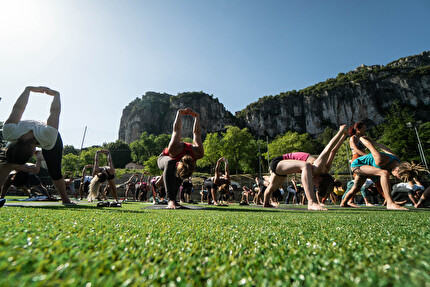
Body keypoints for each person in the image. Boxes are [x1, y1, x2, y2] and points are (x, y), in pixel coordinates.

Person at [0, 86, 73, 204]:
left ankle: (66, 199)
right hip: (39, 134)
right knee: (9, 161)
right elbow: (18, 108)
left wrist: (56, 94)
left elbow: (54, 112)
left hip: (48, 135)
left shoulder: (47, 136)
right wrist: (29, 90)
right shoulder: (9, 132)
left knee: (54, 169)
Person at [264, 125, 348, 210]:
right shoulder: (318, 168)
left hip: (283, 166)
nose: (314, 186)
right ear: (320, 180)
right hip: (279, 162)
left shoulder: (326, 169)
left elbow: (334, 152)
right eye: (317, 186)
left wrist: (344, 135)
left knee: (273, 186)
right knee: (306, 165)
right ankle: (311, 202)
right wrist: (340, 132)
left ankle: (266, 203)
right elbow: (329, 149)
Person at [340, 137, 420, 210]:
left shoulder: (397, 160)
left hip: (369, 168)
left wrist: (374, 141)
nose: (396, 178)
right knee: (384, 173)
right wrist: (362, 138)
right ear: (397, 170)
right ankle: (390, 203)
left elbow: (385, 148)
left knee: (356, 188)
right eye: (398, 177)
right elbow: (370, 146)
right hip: (358, 165)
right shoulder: (380, 160)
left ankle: (343, 203)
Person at [157, 108, 204, 209]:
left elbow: (197, 133)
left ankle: (173, 199)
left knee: (175, 168)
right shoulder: (175, 148)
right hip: (164, 158)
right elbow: (176, 129)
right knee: (170, 163)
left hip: (176, 162)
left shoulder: (198, 153)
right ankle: (170, 200)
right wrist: (179, 113)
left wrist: (197, 117)